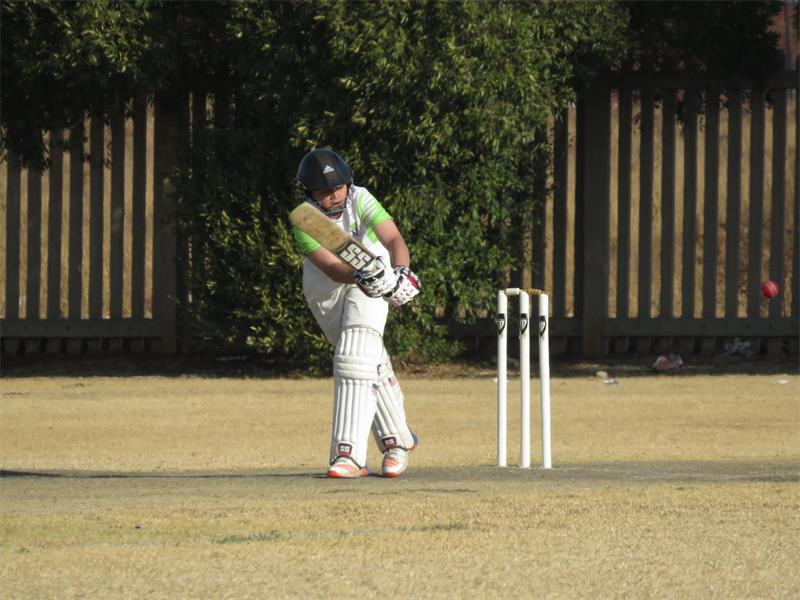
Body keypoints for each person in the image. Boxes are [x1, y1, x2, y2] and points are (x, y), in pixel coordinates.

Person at [292, 148, 421, 478]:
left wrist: (401, 272)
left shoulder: (360, 198)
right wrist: (360, 276)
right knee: (364, 360)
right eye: (324, 192)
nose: (334, 197)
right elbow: (332, 268)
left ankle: (347, 456)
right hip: (328, 289)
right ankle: (398, 441)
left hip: (373, 273)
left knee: (356, 353)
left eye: (338, 188)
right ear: (309, 193)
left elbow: (393, 238)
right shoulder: (305, 219)